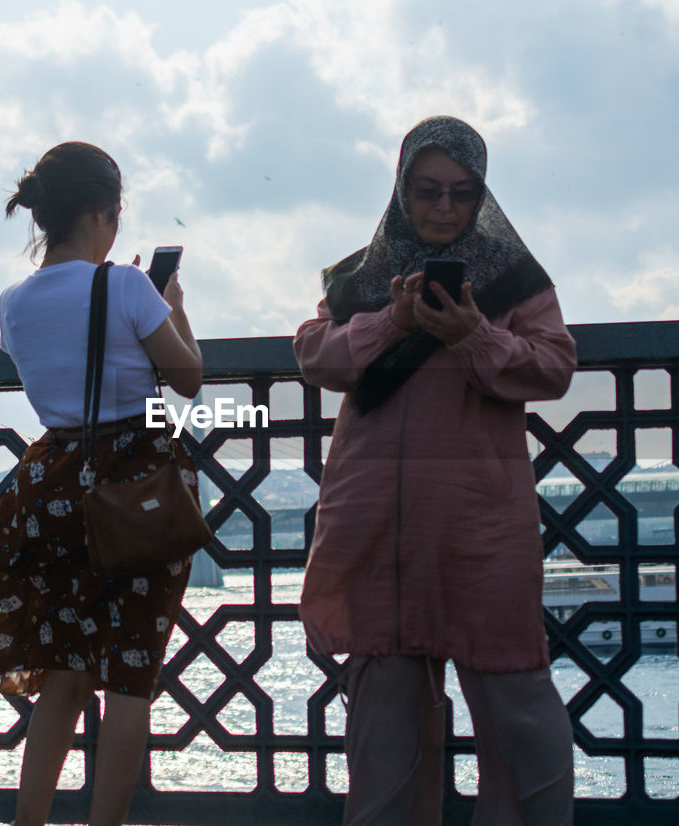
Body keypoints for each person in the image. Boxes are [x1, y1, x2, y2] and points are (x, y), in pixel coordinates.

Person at [293, 116, 578, 825]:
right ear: (401, 191)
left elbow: (554, 366)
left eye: (460, 192)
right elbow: (314, 356)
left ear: (482, 196)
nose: (444, 208)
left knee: (519, 719)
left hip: (476, 525)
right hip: (379, 529)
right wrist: (393, 321)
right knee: (383, 732)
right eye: (427, 192)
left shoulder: (513, 279)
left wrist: (475, 335)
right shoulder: (364, 277)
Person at [0, 141, 203, 826]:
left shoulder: (11, 301)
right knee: (127, 676)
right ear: (101, 213)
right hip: (137, 493)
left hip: (50, 485)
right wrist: (170, 304)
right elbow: (187, 380)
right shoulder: (124, 286)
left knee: (63, 673)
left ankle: (28, 821)